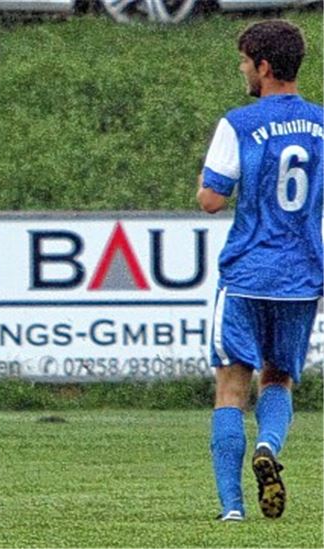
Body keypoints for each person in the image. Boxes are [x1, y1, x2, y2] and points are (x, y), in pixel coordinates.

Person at [198, 19, 322, 522]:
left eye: (246, 64)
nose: (244, 72)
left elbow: (211, 200)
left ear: (265, 67)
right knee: (279, 378)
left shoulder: (240, 122)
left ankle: (232, 510)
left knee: (231, 385)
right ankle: (268, 444)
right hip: (303, 275)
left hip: (249, 271)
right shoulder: (322, 124)